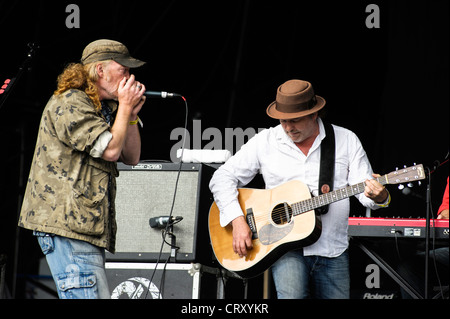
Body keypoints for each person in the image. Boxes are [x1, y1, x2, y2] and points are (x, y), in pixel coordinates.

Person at [209, 79, 390, 299]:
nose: (287, 128)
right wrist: (237, 220)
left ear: (314, 114)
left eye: (294, 121)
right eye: (283, 121)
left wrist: (380, 196)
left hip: (333, 248)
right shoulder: (266, 141)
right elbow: (222, 177)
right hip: (285, 250)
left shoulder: (346, 140)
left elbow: (366, 192)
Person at [18, 39, 146, 299]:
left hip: (83, 227)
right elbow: (110, 150)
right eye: (124, 70)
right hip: (68, 226)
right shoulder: (70, 103)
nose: (130, 78)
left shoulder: (105, 108)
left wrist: (129, 115)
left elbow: (131, 157)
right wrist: (123, 108)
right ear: (101, 71)